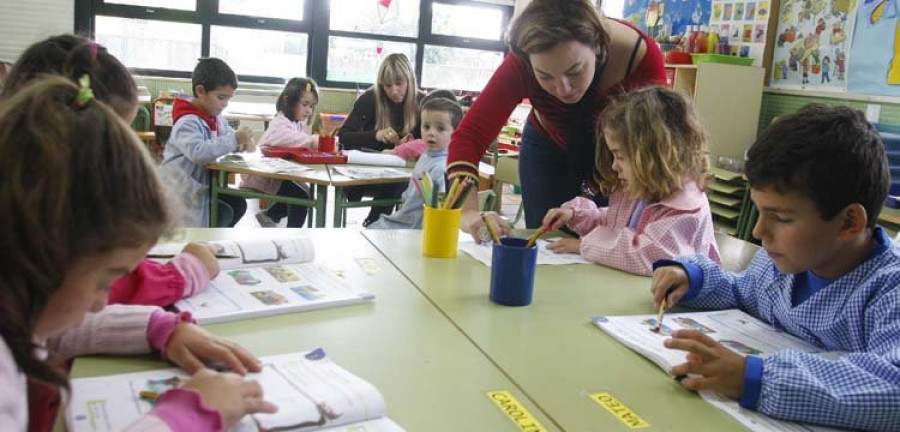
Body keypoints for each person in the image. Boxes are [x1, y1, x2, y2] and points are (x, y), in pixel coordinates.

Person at [0, 76, 277, 431]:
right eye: (103, 280)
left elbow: (52, 331)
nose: (102, 302)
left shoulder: (20, 309)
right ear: (39, 254)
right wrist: (189, 415)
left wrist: (156, 327)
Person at [650, 105, 900, 430]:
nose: (757, 231)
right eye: (759, 211)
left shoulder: (888, 289)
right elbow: (740, 292)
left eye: (781, 218)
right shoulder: (781, 264)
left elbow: (893, 389)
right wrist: (692, 276)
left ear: (850, 222)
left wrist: (755, 379)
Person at [446, 0, 666, 239]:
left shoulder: (639, 57)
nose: (563, 89)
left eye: (575, 71)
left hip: (617, 157)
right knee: (545, 241)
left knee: (610, 239)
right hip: (547, 146)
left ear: (599, 46)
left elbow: (656, 145)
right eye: (545, 76)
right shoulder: (521, 62)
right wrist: (467, 212)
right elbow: (471, 136)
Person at [542, 87, 719, 276]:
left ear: (651, 156)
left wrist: (582, 245)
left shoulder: (685, 208)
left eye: (620, 156)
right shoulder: (643, 190)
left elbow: (647, 254)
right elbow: (615, 224)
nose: (614, 166)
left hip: (674, 304)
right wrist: (576, 214)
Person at [159, 57, 256, 227]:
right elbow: (198, 152)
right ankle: (206, 243)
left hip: (201, 187)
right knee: (224, 212)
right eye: (221, 97)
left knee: (237, 203)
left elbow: (226, 135)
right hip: (180, 191)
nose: (225, 104)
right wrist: (235, 139)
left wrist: (242, 144)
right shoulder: (187, 121)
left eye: (228, 99)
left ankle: (211, 242)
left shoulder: (215, 117)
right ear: (201, 91)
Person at [338, 53, 426, 226]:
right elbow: (343, 137)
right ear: (381, 85)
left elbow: (432, 144)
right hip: (367, 175)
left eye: (399, 84)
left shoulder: (422, 102)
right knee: (394, 182)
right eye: (387, 85)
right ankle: (376, 223)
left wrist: (410, 145)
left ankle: (376, 223)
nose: (394, 91)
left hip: (405, 177)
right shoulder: (370, 98)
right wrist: (375, 135)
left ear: (410, 80)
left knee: (399, 182)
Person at [367, 92, 463, 229]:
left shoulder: (442, 168)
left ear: (455, 133)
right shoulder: (426, 155)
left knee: (371, 232)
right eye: (426, 126)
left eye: (440, 128)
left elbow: (439, 213)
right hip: (404, 219)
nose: (431, 133)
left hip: (416, 228)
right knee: (371, 229)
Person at [241, 77, 318, 228]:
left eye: (312, 106)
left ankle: (270, 215)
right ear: (288, 102)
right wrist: (314, 141)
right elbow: (295, 139)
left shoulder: (295, 123)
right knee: (301, 197)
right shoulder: (280, 123)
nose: (309, 110)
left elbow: (298, 141)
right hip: (261, 176)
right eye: (305, 104)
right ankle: (293, 235)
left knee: (304, 193)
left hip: (276, 173)